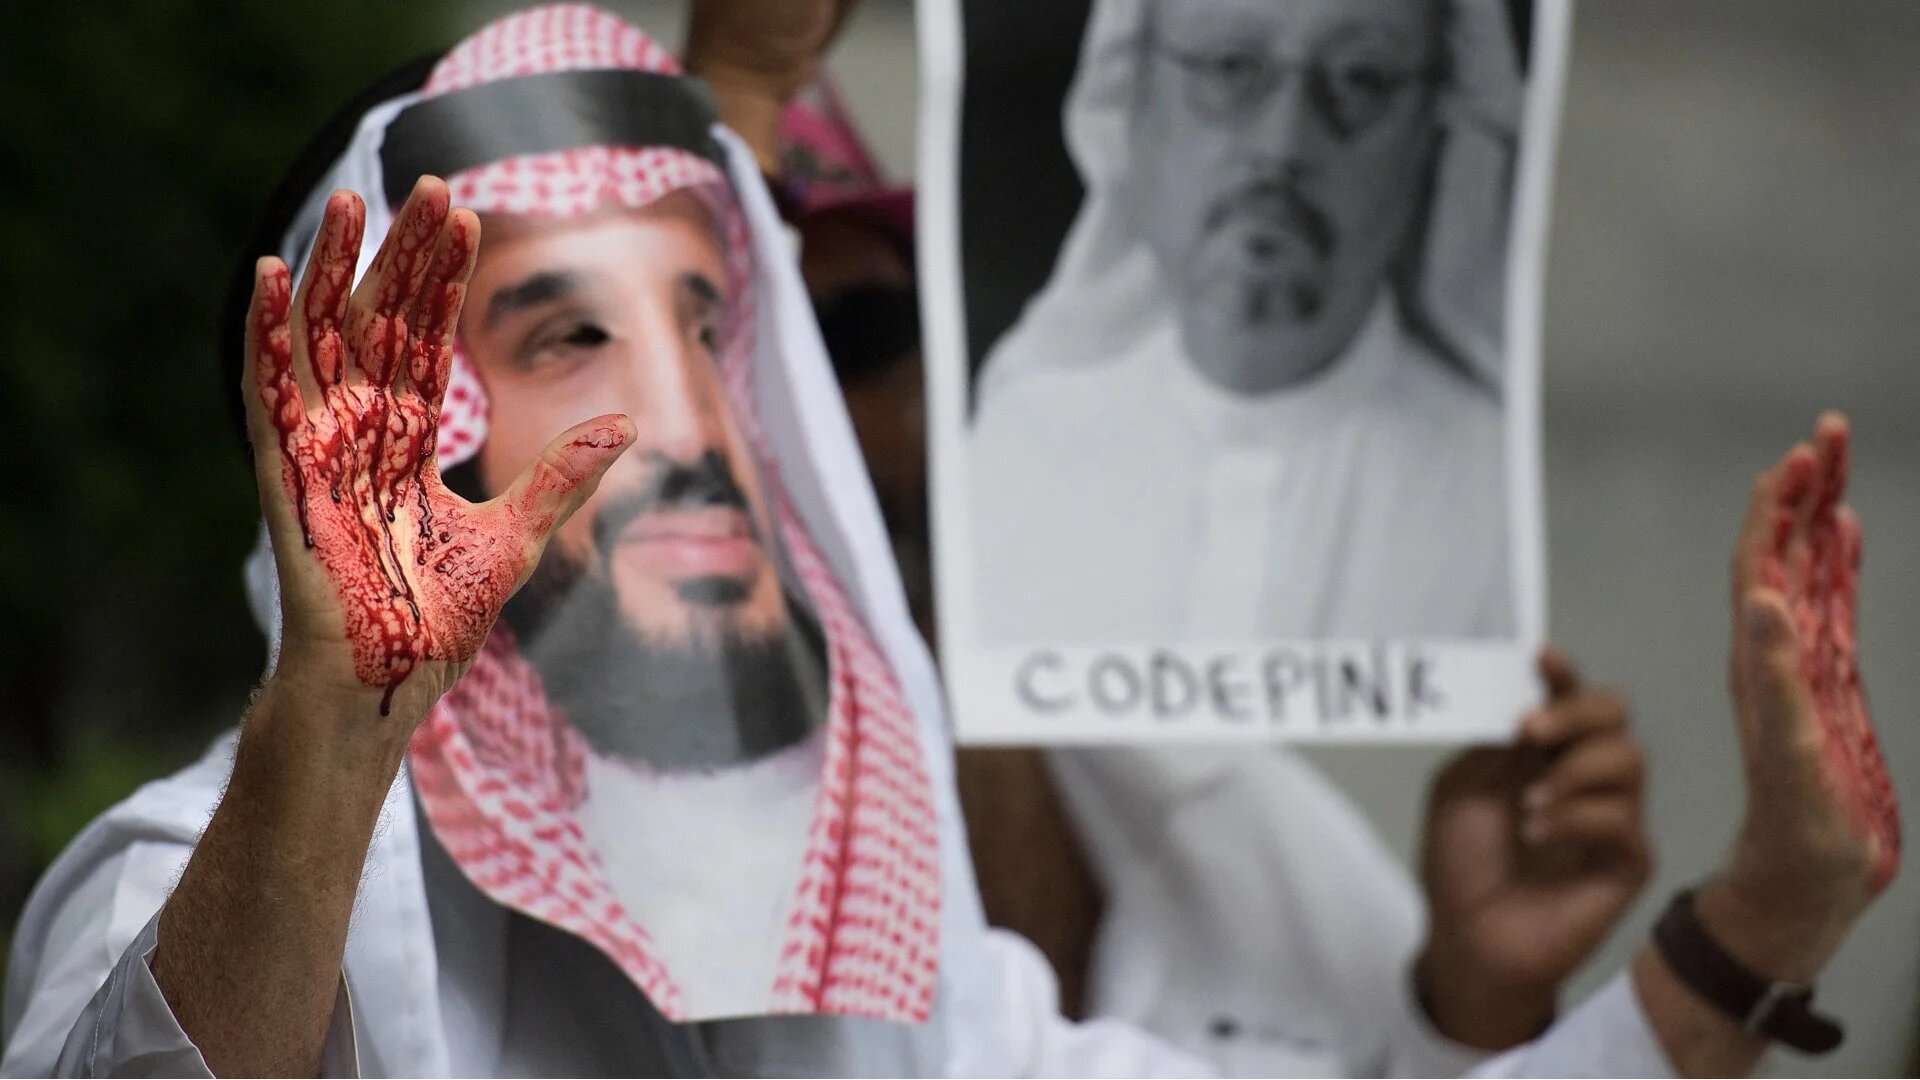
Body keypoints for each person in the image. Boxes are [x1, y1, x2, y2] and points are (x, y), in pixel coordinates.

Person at [0, 6, 1899, 1079]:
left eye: (712, 336)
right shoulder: (191, 883)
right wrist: (337, 723)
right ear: (387, 427)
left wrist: (1767, 914)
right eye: (573, 335)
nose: (692, 427)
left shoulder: (870, 971)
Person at [970, 0, 1525, 643]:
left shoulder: (1497, 497)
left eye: (1360, 80)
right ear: (1134, 106)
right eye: (1229, 67)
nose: (1281, 145)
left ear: (1435, 132)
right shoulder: (1017, 454)